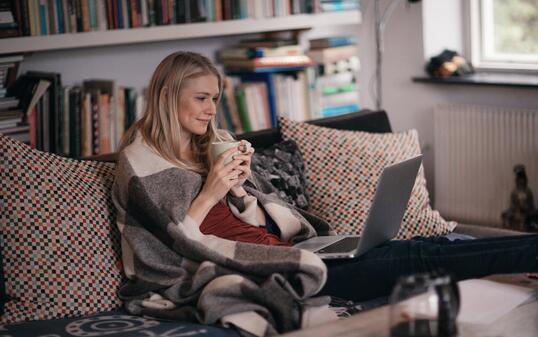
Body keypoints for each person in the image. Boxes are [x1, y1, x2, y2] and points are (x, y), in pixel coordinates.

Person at [112, 51, 538, 334]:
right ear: (168, 96)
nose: (211, 109)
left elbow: (262, 223)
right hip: (262, 271)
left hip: (285, 250)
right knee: (411, 259)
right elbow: (174, 244)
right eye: (201, 98)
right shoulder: (141, 162)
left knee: (419, 245)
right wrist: (212, 189)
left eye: (215, 99)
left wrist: (242, 191)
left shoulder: (213, 141)